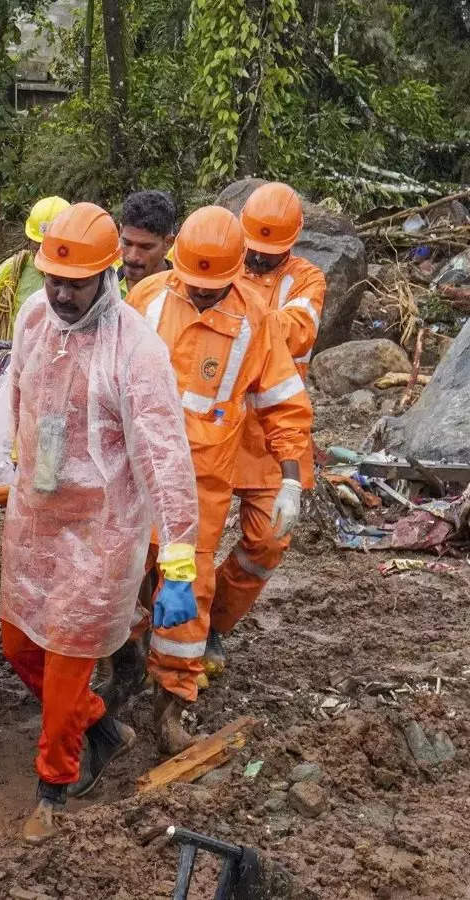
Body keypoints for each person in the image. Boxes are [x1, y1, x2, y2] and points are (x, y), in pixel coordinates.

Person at [3, 203, 199, 844]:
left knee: (64, 668)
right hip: (36, 517)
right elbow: (19, 401)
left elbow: (165, 458)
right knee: (18, 646)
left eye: (74, 283)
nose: (60, 293)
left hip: (100, 533)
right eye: (52, 279)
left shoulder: (136, 348)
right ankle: (104, 728)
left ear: (106, 274)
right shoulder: (35, 317)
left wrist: (177, 563)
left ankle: (53, 790)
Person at [124, 206, 312, 754]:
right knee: (120, 580)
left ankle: (171, 704)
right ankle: (117, 675)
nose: (202, 298)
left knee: (184, 595)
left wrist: (292, 479)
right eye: (195, 287)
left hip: (195, 493)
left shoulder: (255, 319)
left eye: (213, 290)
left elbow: (281, 403)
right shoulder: (149, 298)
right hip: (133, 481)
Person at [208, 183, 325, 676]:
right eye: (252, 248)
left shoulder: (306, 279)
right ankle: (178, 626)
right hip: (216, 427)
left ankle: (214, 623)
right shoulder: (221, 261)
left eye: (267, 252)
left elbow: (298, 330)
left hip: (273, 431)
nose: (256, 259)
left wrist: (240, 320)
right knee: (185, 540)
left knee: (269, 541)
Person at [0, 196, 71, 339]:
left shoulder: (85, 278)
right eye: (39, 245)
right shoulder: (9, 273)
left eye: (51, 247)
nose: (44, 253)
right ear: (30, 240)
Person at [118, 190, 175, 297]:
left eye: (145, 247)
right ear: (120, 232)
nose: (132, 256)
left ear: (168, 243)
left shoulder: (184, 296)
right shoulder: (103, 286)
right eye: (127, 243)